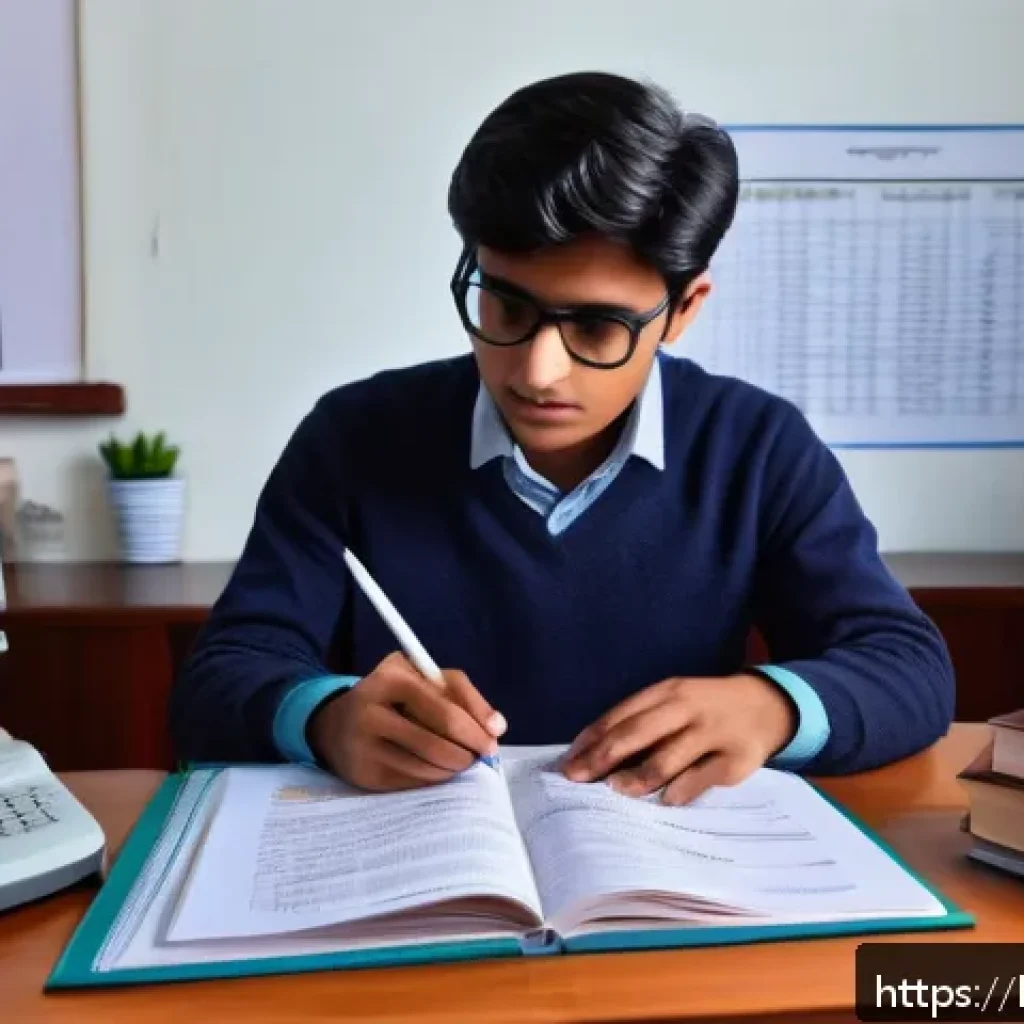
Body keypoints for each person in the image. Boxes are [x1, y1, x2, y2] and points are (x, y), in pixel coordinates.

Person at [170, 71, 954, 805]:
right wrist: (321, 717)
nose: (538, 371)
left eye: (596, 325)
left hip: (663, 895)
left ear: (684, 310)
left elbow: (908, 668)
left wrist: (773, 706)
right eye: (506, 307)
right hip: (410, 893)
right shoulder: (354, 437)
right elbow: (221, 679)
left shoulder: (755, 447)